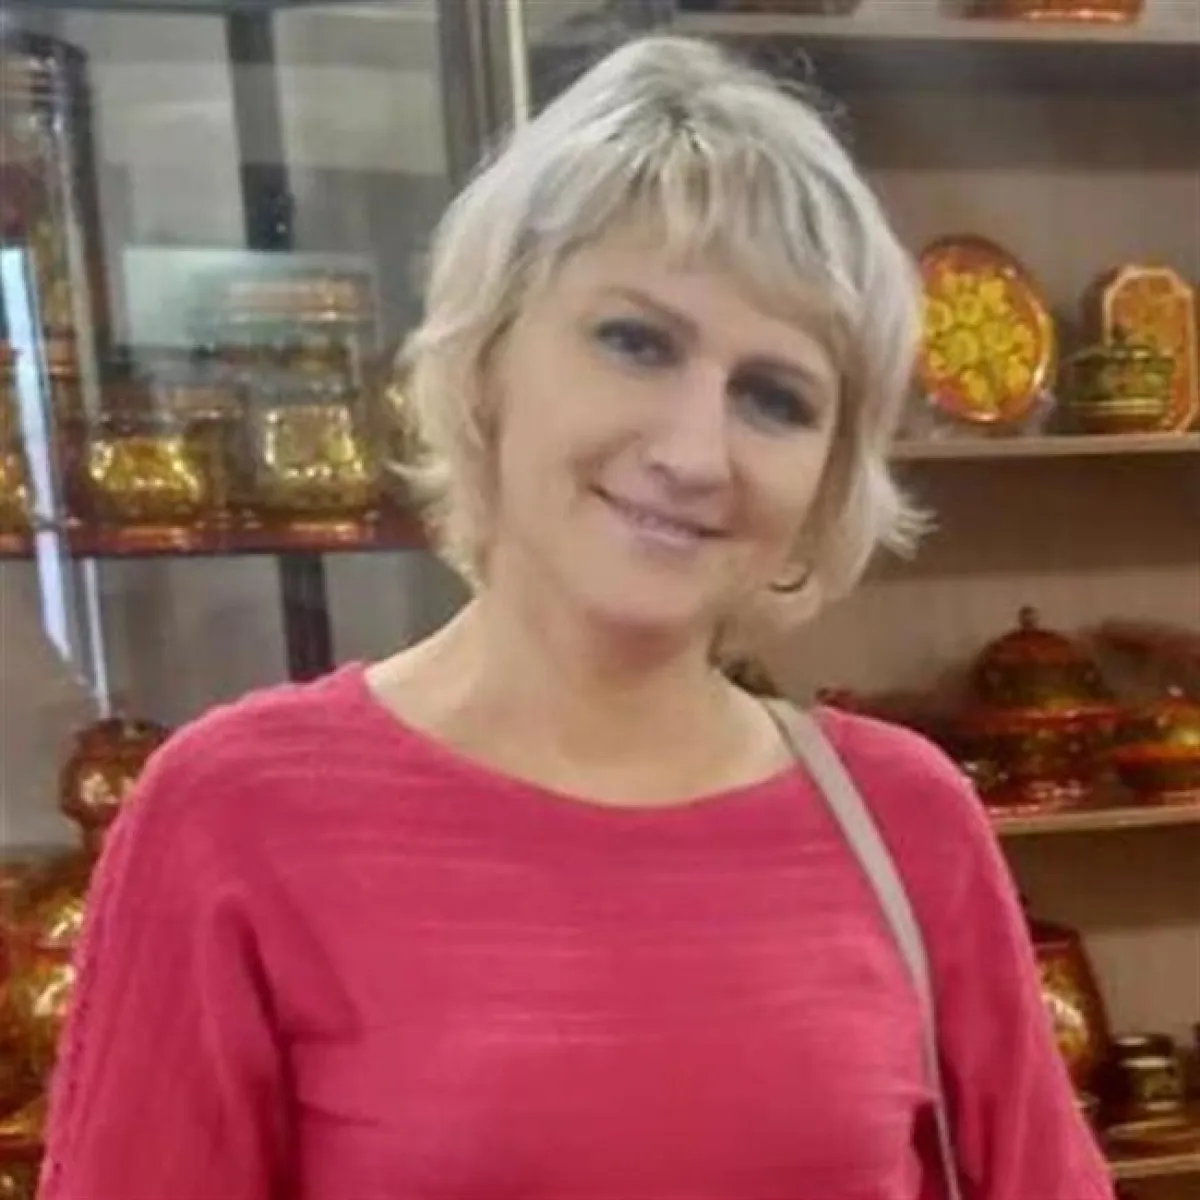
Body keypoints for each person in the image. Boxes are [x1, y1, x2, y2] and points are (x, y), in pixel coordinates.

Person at [38, 35, 1114, 1200]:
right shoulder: (235, 820)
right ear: (489, 357)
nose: (694, 453)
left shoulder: (908, 825)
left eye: (775, 398)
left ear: (827, 481)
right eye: (635, 342)